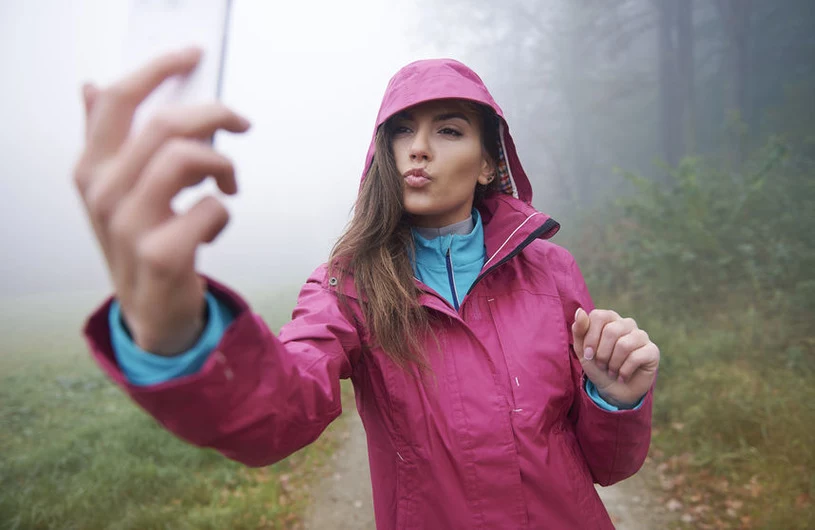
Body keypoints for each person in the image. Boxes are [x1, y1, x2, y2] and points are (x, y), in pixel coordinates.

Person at [75, 48, 660, 529]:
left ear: (488, 163)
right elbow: (278, 409)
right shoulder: (346, 286)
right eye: (401, 130)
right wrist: (182, 337)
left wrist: (614, 399)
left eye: (449, 130)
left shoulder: (552, 272)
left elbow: (606, 464)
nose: (418, 147)